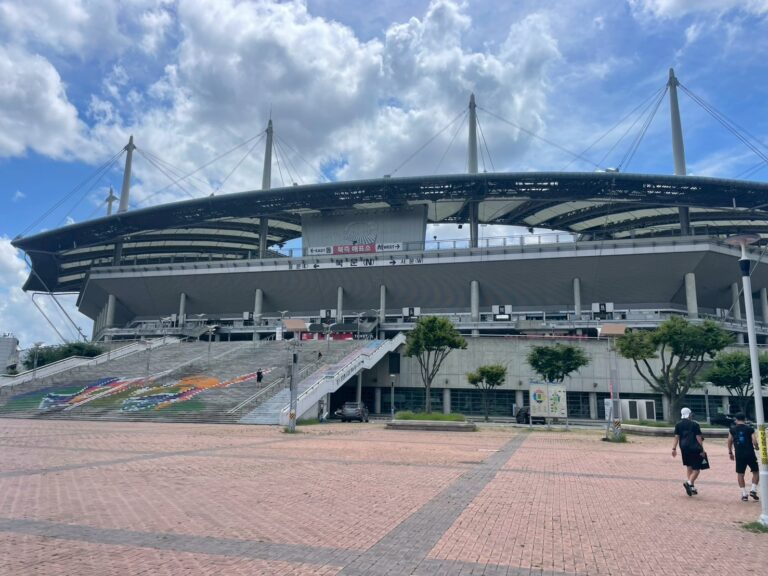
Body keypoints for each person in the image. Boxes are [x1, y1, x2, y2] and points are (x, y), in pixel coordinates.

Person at [672, 407, 705, 496]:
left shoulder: (678, 424)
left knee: (689, 466)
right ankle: (689, 482)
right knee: (697, 469)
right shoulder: (695, 424)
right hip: (695, 448)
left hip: (684, 448)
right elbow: (698, 437)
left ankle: (691, 487)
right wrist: (702, 449)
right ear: (689, 414)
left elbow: (676, 437)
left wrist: (674, 448)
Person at [728, 413, 760, 502]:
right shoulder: (750, 429)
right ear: (745, 419)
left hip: (739, 454)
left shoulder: (732, 429)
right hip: (750, 453)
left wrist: (730, 452)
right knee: (756, 472)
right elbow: (754, 441)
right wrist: (757, 447)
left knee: (740, 474)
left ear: (736, 419)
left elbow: (729, 441)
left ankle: (744, 494)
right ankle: (753, 489)